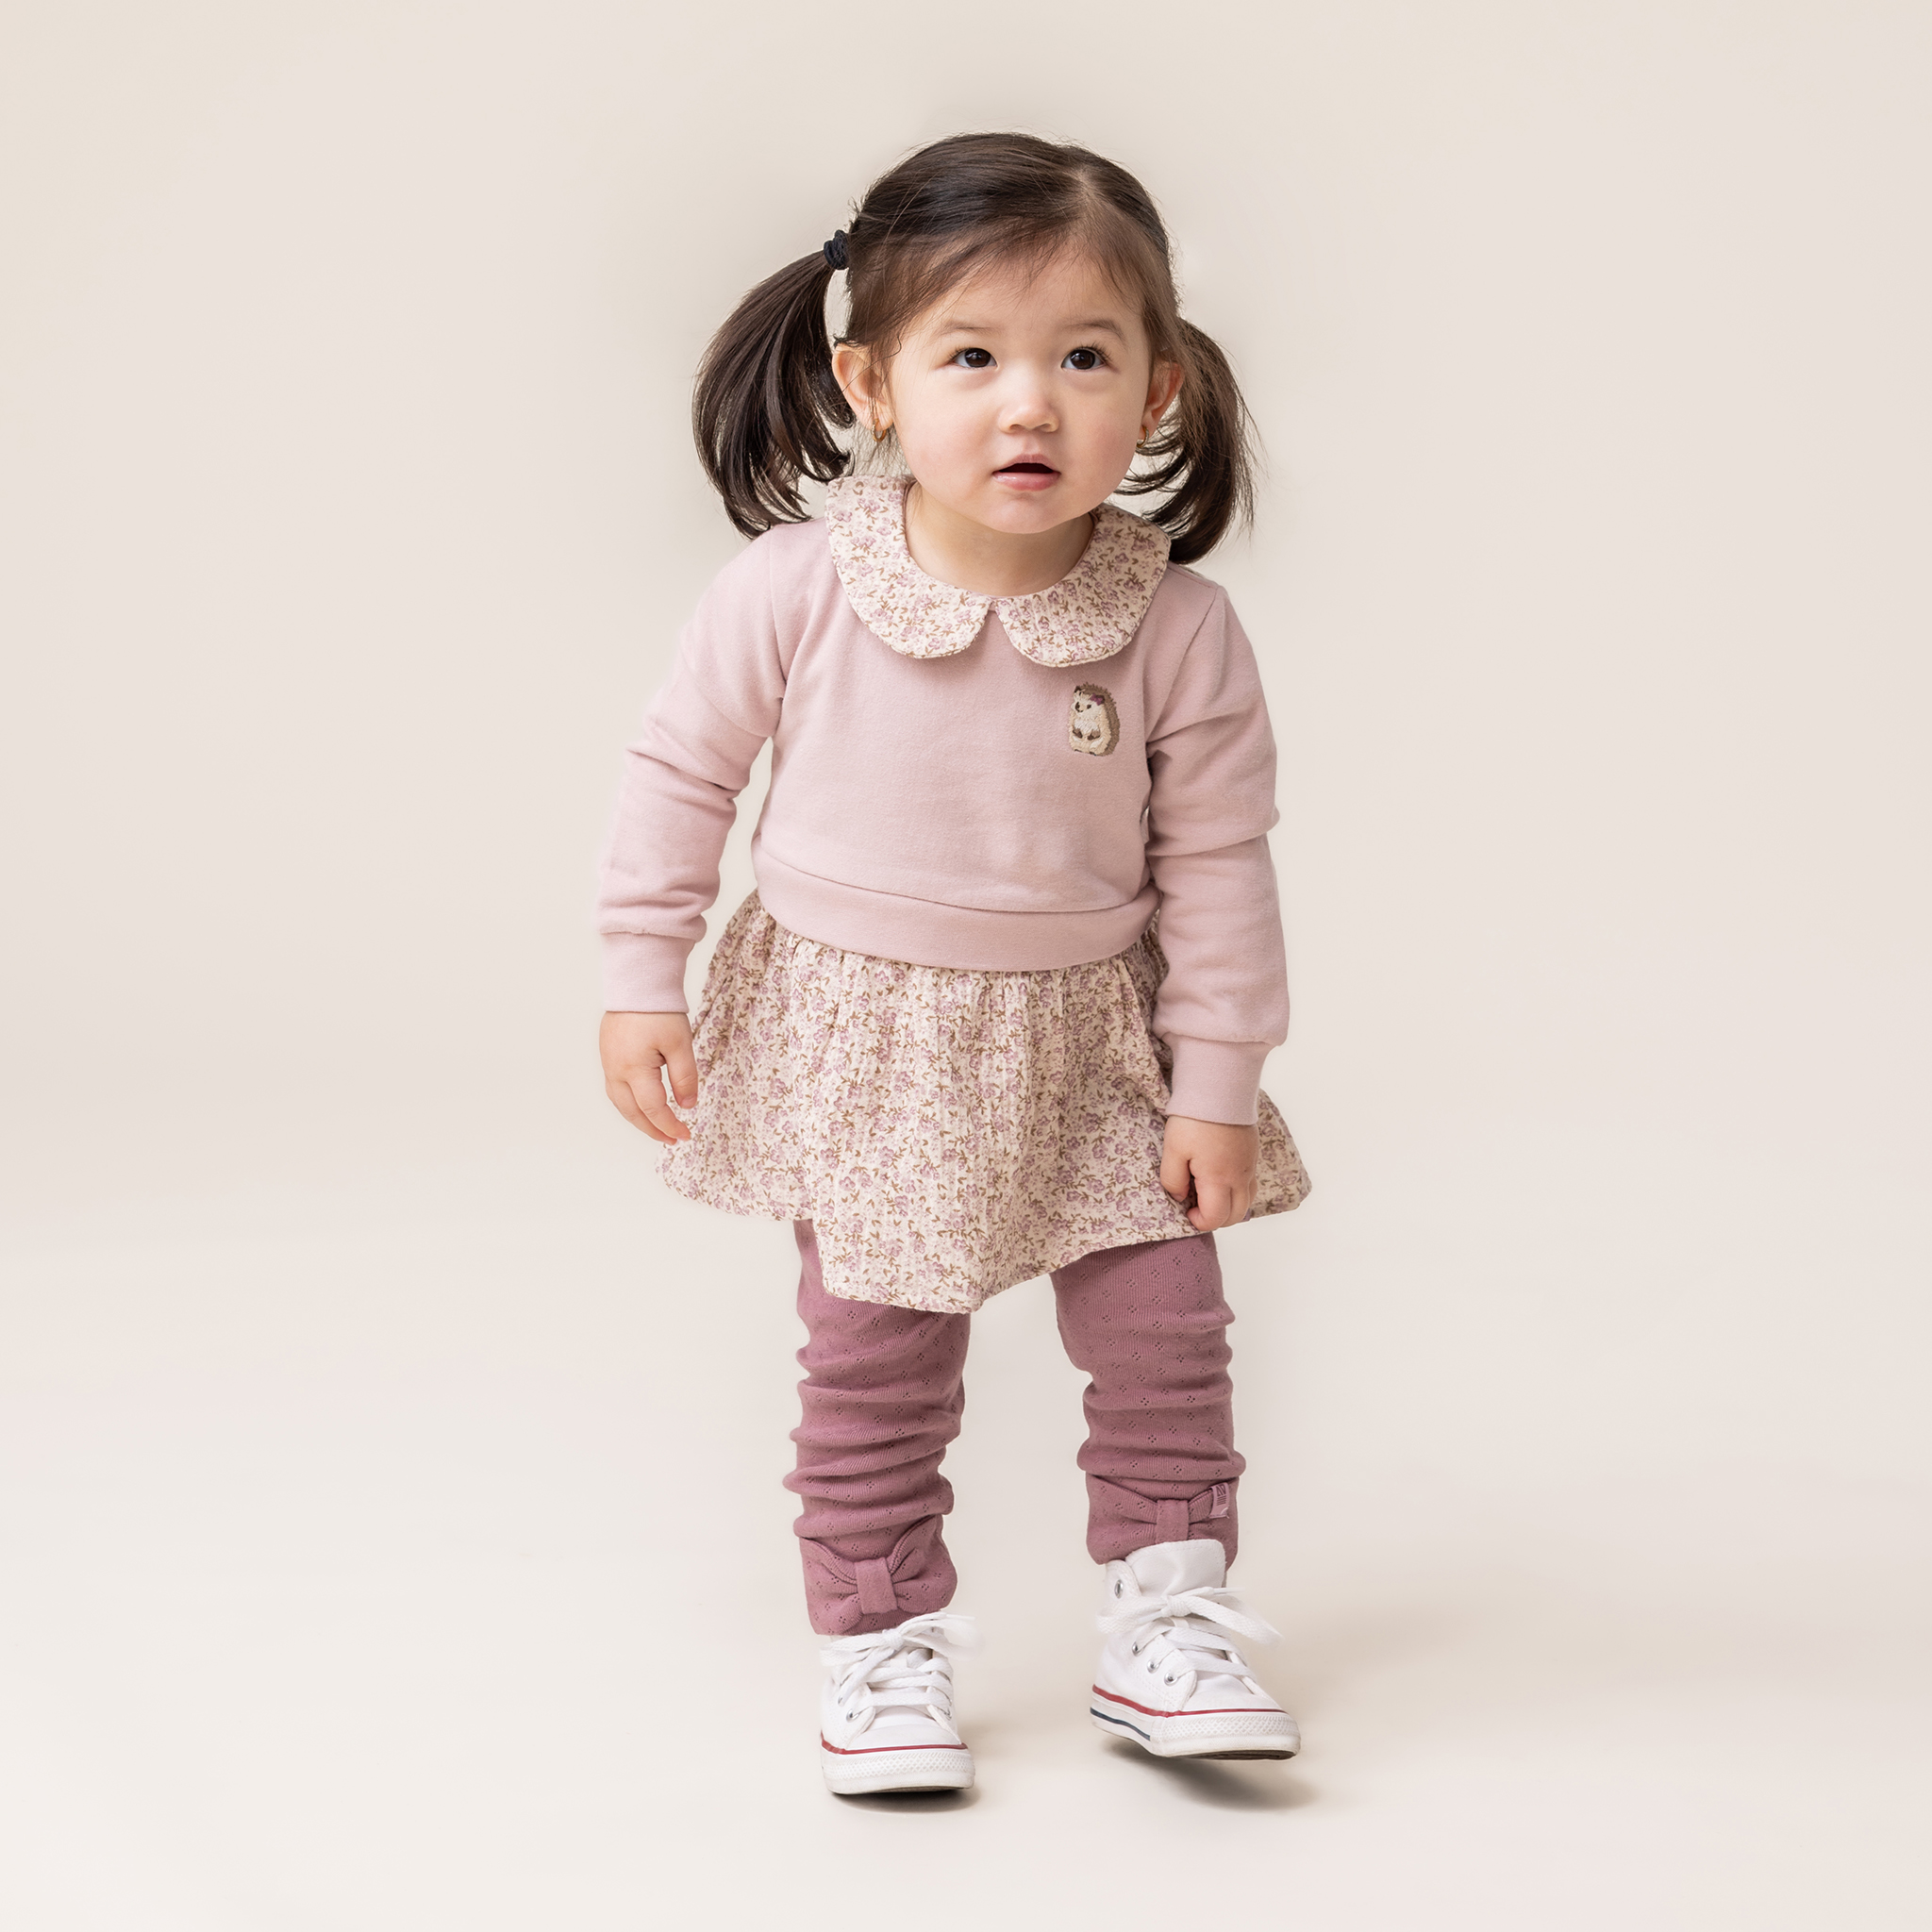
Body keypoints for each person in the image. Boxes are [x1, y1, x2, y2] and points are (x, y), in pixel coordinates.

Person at [595, 132, 1310, 1797]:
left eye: (1086, 359)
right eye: (972, 358)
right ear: (873, 383)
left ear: (1161, 389)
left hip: (1098, 1045)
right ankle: (878, 1639)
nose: (1029, 405)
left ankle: (1166, 1623)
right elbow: (679, 776)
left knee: (1167, 1336)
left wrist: (1218, 1084)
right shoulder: (799, 589)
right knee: (875, 1359)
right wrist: (642, 972)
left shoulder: (1177, 626)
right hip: (868, 1046)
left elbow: (1220, 865)